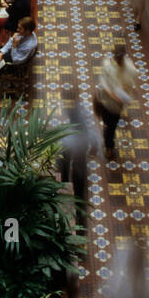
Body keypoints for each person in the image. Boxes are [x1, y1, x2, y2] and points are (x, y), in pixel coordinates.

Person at [57, 97, 100, 227]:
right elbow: (94, 148)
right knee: (80, 192)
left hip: (66, 163)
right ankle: (80, 215)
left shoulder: (67, 134)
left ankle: (66, 214)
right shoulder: (88, 134)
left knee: (65, 184)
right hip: (80, 166)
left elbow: (60, 153)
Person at [94, 40, 136, 158]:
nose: (116, 60)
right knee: (110, 126)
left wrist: (124, 93)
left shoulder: (130, 69)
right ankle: (109, 147)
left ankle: (109, 146)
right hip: (106, 101)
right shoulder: (108, 65)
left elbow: (130, 86)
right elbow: (103, 82)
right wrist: (113, 94)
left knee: (111, 126)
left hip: (117, 105)